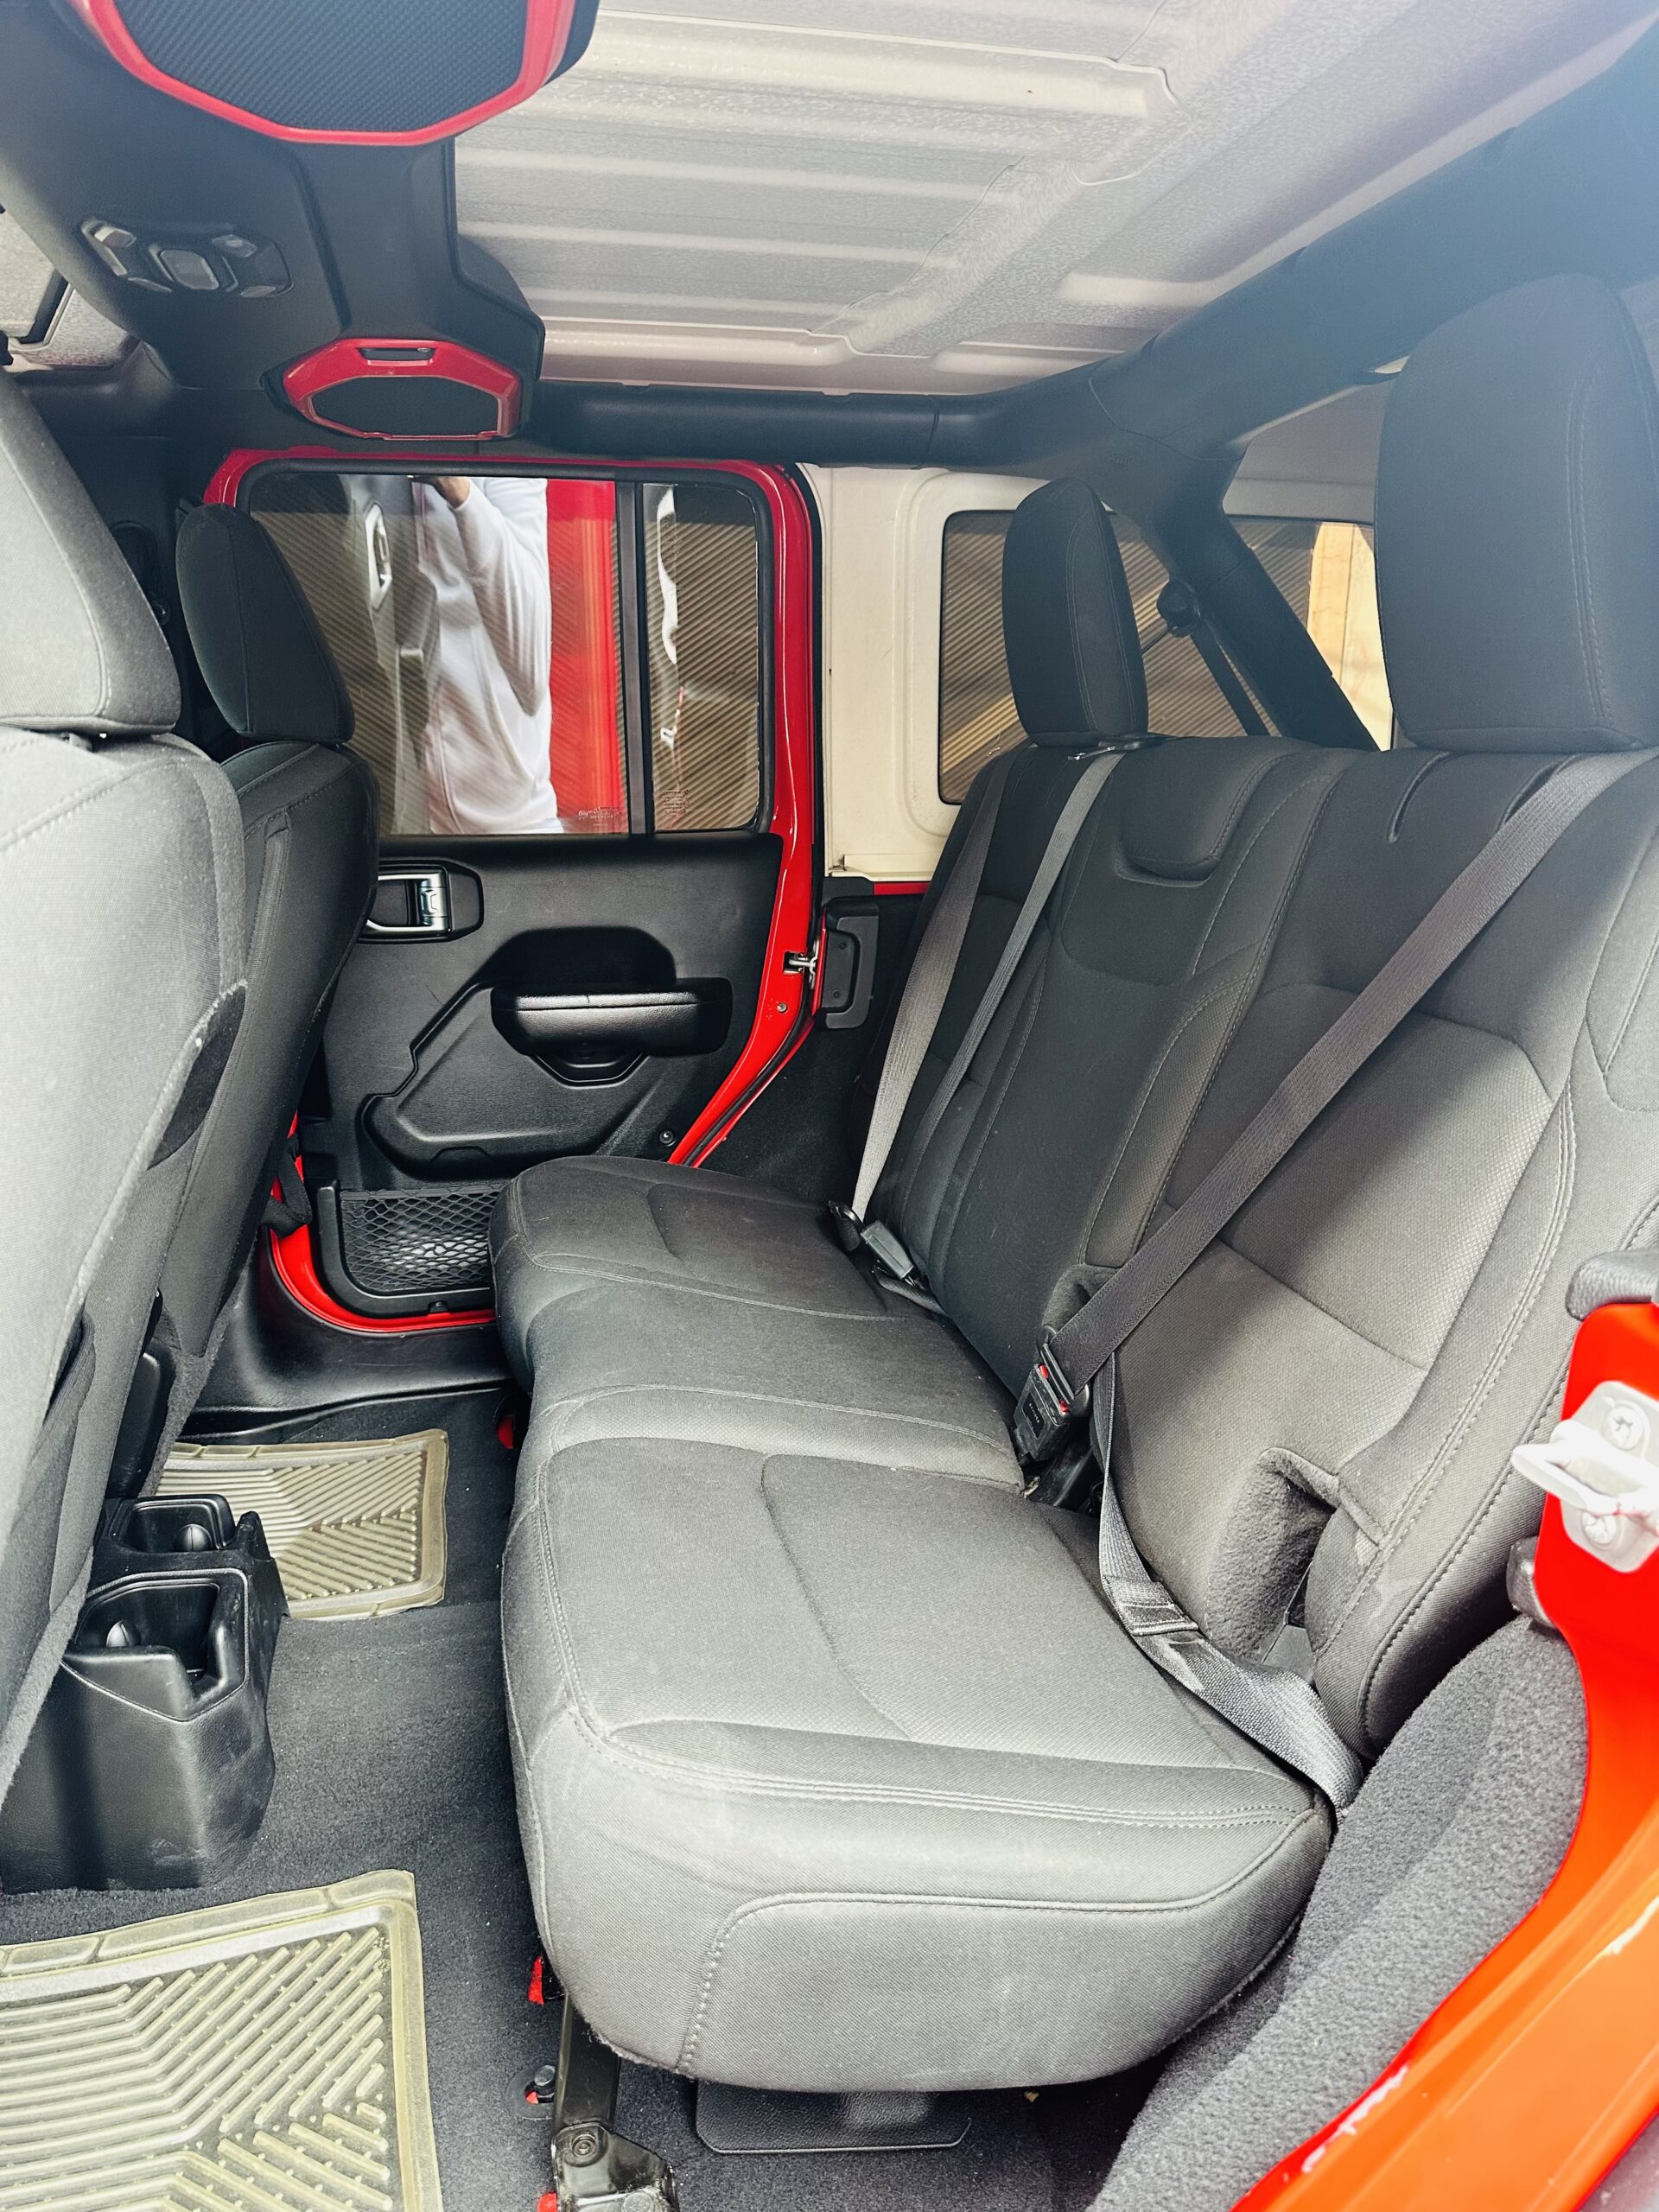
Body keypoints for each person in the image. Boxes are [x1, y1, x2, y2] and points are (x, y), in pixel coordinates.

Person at [413, 474, 559, 834]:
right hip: (396, 811)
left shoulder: (499, 466)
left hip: (511, 822)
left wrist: (460, 491)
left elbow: (531, 674)